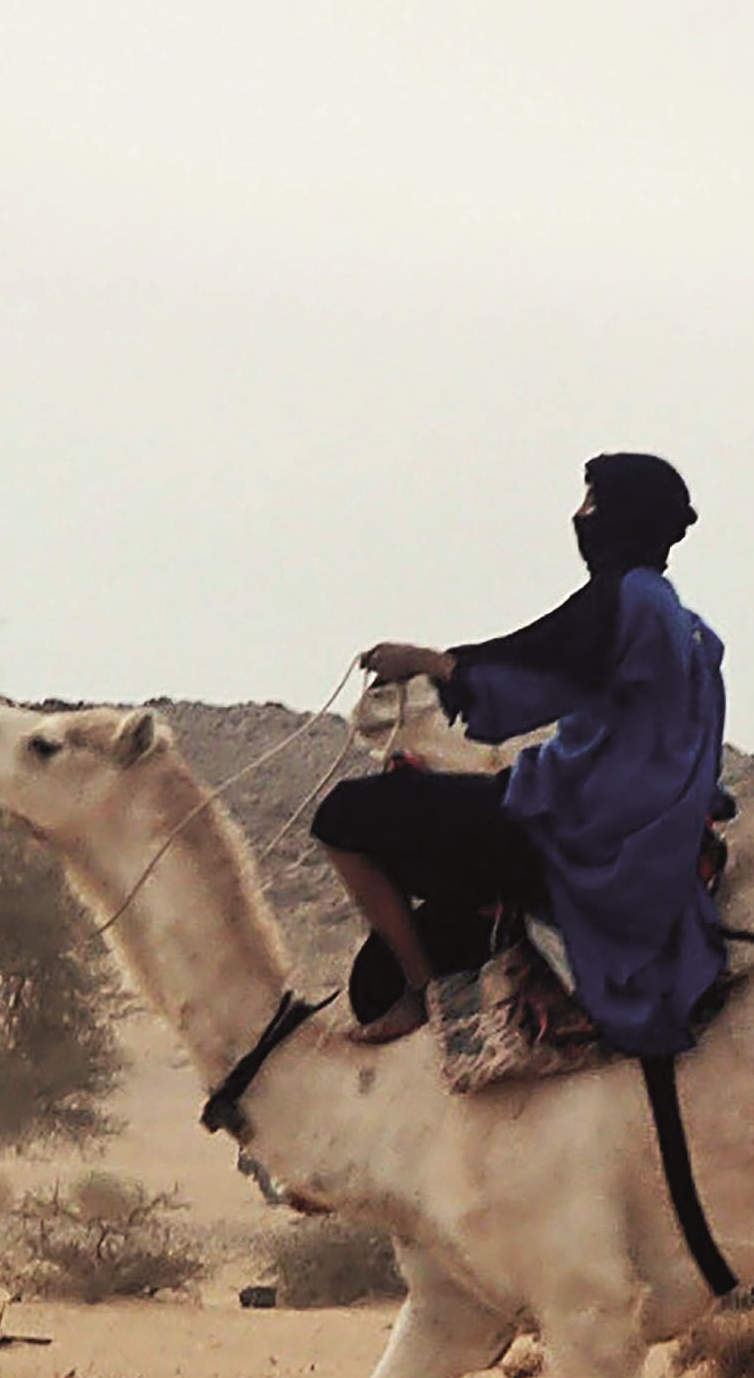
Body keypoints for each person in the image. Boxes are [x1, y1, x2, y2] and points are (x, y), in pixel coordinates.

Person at [311, 451, 729, 1054]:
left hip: (580, 833)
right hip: (627, 830)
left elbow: (534, 680)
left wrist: (424, 662)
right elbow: (548, 662)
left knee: (343, 817)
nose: (580, 516)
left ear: (622, 514)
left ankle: (424, 995)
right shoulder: (684, 624)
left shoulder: (628, 602)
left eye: (592, 502)